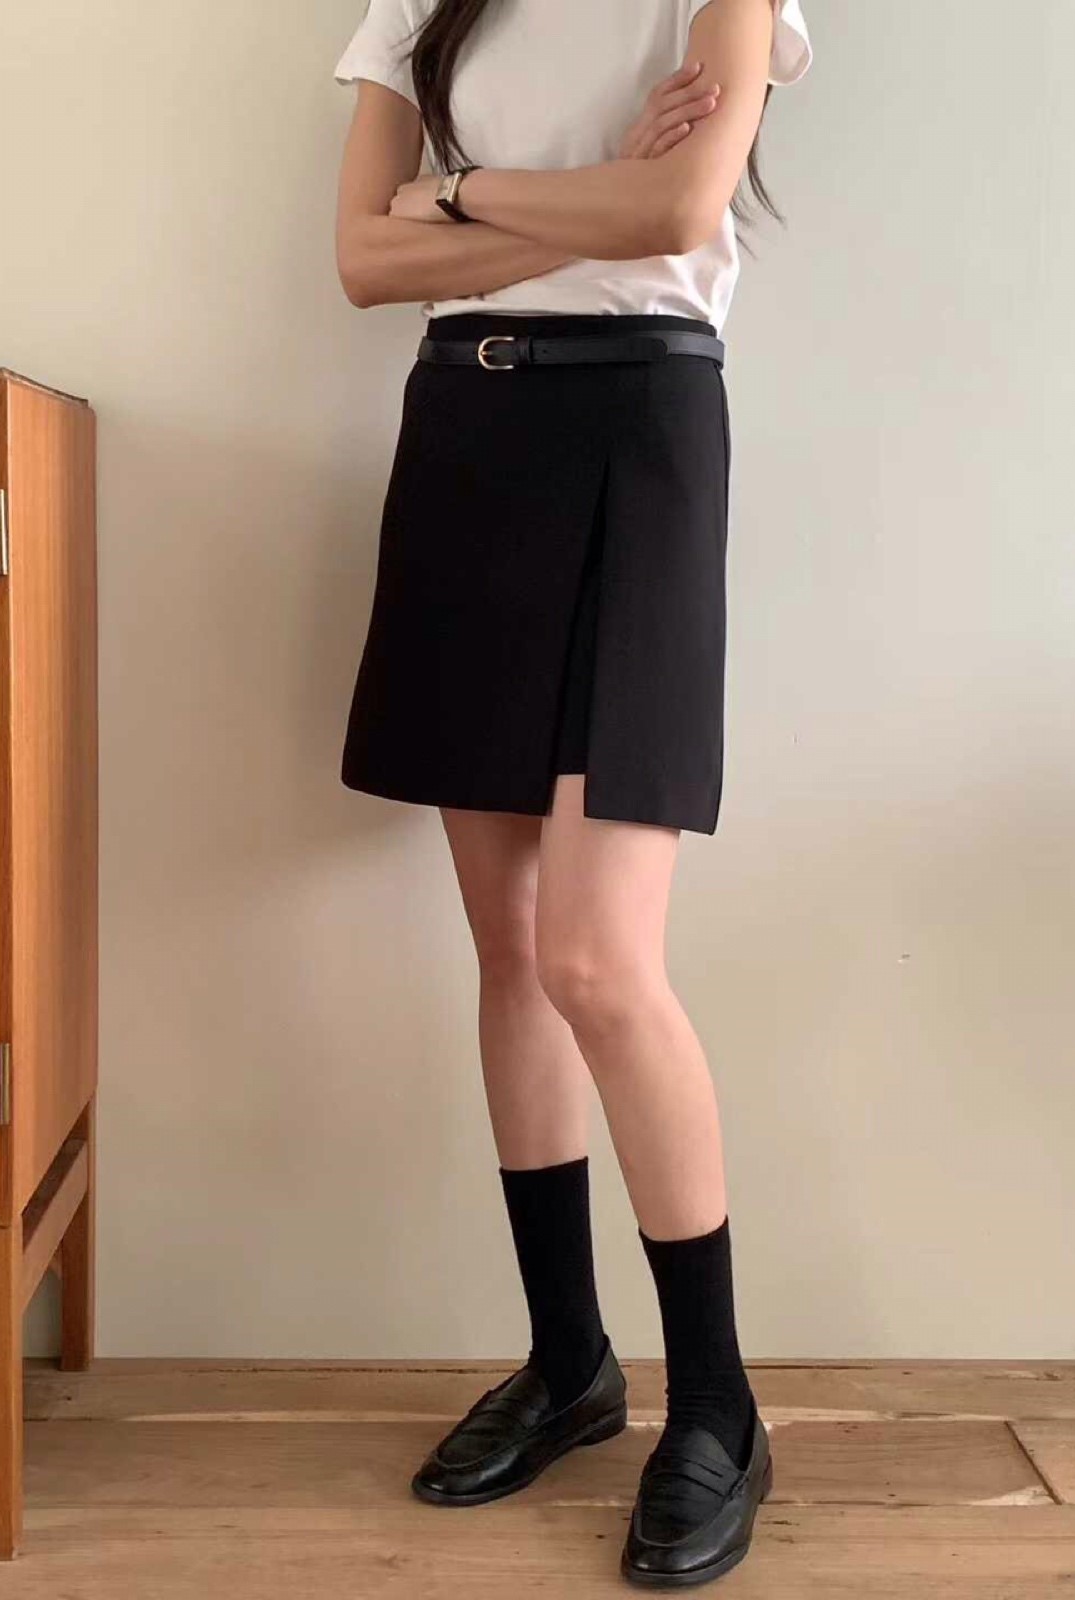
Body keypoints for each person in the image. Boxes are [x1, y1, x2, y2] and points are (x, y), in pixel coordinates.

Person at [332, 0, 811, 1585]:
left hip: (642, 426)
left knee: (600, 961)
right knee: (514, 951)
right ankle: (568, 1363)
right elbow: (362, 259)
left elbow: (679, 210)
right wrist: (580, 198)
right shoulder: (419, 5)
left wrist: (461, 198)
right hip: (467, 429)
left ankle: (720, 1408)